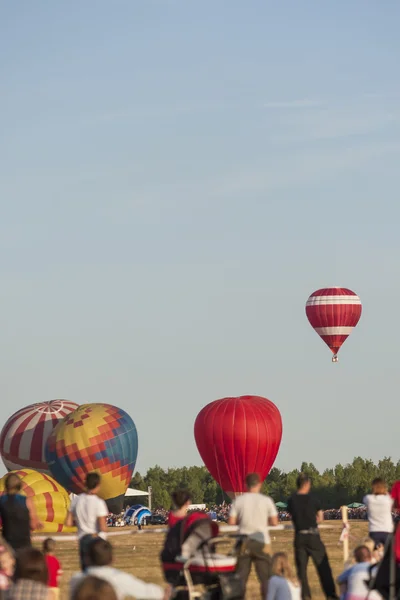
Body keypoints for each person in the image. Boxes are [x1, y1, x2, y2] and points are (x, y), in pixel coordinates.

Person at [287, 473, 338, 600]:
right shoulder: (313, 499)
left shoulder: (292, 499)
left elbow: (292, 516)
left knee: (301, 571)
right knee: (323, 566)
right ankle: (330, 595)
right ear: (307, 484)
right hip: (313, 535)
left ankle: (305, 596)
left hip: (299, 537)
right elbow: (320, 518)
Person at [228, 472, 278, 598]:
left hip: (244, 541)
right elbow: (274, 522)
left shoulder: (239, 500)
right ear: (260, 484)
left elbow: (231, 521)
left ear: (245, 485)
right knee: (266, 577)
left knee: (241, 577)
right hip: (262, 541)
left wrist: (243, 520)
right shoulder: (266, 500)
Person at [69, 537, 168, 600]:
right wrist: (164, 593)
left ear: (87, 559)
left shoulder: (76, 579)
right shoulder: (117, 578)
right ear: (112, 559)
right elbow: (148, 592)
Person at [65, 472, 108, 571]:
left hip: (82, 539)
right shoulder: (99, 502)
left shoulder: (76, 501)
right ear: (97, 485)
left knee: (86, 569)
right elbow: (102, 526)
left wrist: (80, 522)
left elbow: (68, 522)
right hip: (96, 539)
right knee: (98, 569)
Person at [0, 473, 42, 551]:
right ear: (19, 486)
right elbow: (33, 524)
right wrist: (38, 523)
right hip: (24, 544)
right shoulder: (27, 501)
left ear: (6, 485)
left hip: (7, 544)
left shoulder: (1, 500)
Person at [363, 478, 394, 548]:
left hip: (374, 530)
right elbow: (391, 498)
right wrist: (385, 492)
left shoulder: (369, 499)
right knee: (389, 556)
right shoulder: (388, 499)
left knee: (374, 555)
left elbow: (365, 500)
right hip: (388, 530)